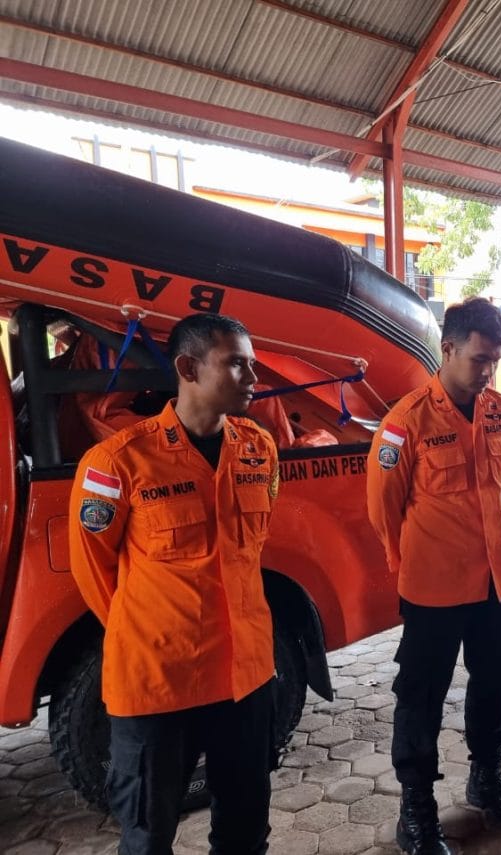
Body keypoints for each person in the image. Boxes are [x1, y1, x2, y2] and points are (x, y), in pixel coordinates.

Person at [68, 313, 280, 854]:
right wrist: (155, 631)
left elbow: (248, 553)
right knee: (148, 837)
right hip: (159, 687)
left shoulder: (258, 448)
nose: (253, 377)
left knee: (245, 832)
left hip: (244, 679)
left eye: (253, 364)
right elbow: (94, 571)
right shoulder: (117, 462)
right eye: (237, 364)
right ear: (187, 368)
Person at [366, 297, 501, 855]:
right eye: (479, 358)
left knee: (495, 679)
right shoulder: (405, 422)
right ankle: (416, 807)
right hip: (433, 586)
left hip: (494, 580)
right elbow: (383, 509)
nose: (488, 371)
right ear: (448, 348)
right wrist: (411, 563)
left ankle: (486, 778)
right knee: (422, 695)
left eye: (496, 361)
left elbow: (498, 480)